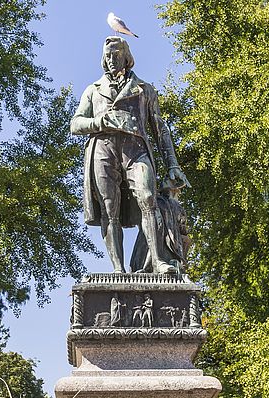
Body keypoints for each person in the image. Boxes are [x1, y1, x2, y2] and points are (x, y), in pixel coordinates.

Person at [70, 36, 190, 274]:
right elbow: (75, 124)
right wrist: (100, 121)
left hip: (136, 149)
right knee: (109, 208)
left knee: (148, 198)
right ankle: (118, 269)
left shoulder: (144, 89)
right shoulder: (93, 90)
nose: (111, 60)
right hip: (103, 149)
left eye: (115, 54)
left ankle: (157, 261)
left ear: (126, 56)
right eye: (107, 56)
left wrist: (173, 165)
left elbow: (160, 130)